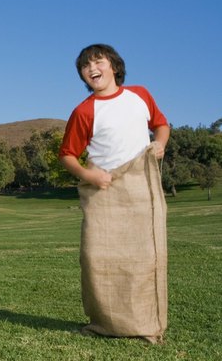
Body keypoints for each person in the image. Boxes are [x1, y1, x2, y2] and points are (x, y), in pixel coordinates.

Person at [59, 44, 170, 343]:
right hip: (103, 194)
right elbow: (68, 154)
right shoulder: (84, 111)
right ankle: (104, 322)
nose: (91, 68)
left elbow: (161, 125)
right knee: (98, 258)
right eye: (85, 66)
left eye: (98, 61)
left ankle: (146, 324)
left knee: (146, 258)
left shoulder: (140, 95)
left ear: (114, 67)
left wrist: (160, 143)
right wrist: (88, 174)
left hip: (139, 191)